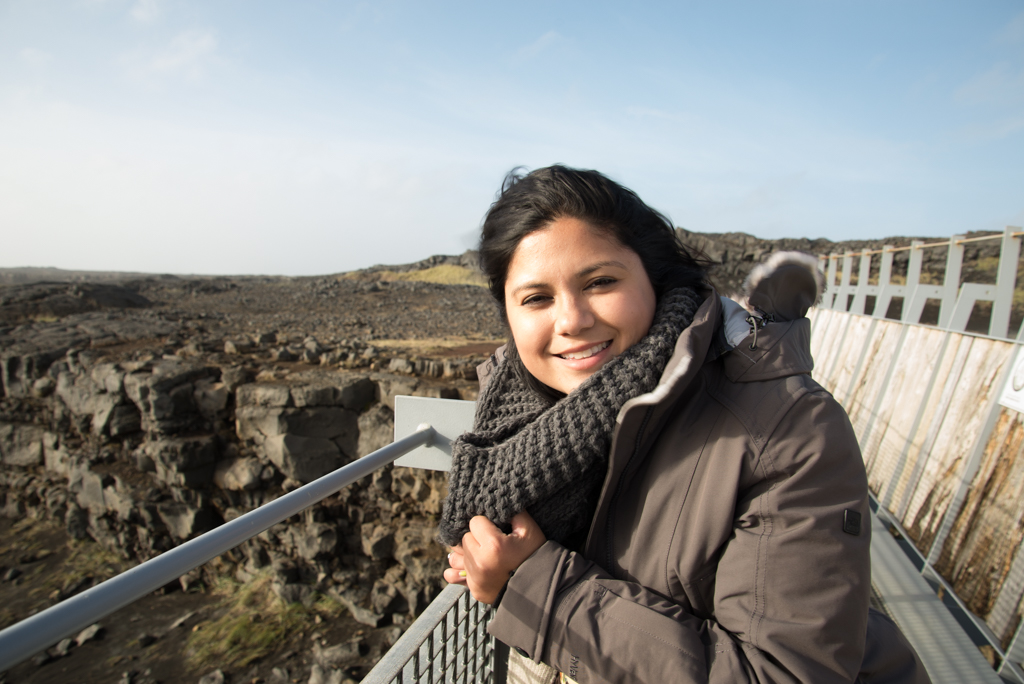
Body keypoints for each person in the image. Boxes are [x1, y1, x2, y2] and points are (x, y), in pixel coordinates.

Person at [439, 165, 929, 683]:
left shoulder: (784, 430)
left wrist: (534, 586)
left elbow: (782, 673)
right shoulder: (517, 417)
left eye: (601, 281)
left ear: (655, 278)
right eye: (537, 298)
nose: (571, 320)